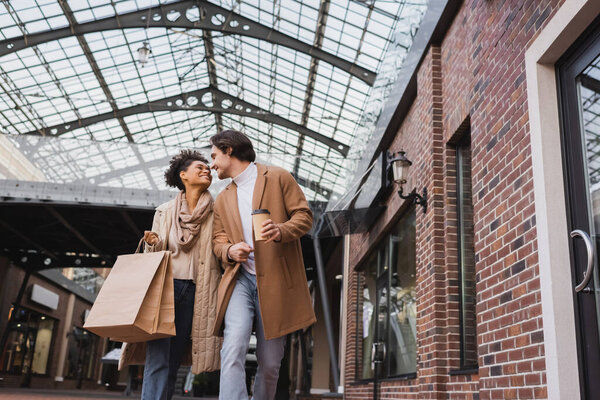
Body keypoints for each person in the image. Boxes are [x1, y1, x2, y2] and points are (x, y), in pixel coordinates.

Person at [210, 130, 316, 400]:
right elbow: (218, 240)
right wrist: (230, 250)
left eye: (214, 156)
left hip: (277, 281)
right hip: (240, 280)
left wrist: (281, 230)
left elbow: (304, 217)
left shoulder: (278, 176)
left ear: (229, 150)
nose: (212, 164)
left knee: (270, 364)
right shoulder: (222, 198)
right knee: (233, 347)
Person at [118, 150, 222, 400]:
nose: (207, 169)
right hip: (165, 289)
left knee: (175, 358)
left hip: (198, 292)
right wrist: (153, 242)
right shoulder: (164, 211)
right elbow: (151, 254)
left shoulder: (217, 211)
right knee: (158, 357)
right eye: (200, 167)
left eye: (208, 167)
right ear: (183, 175)